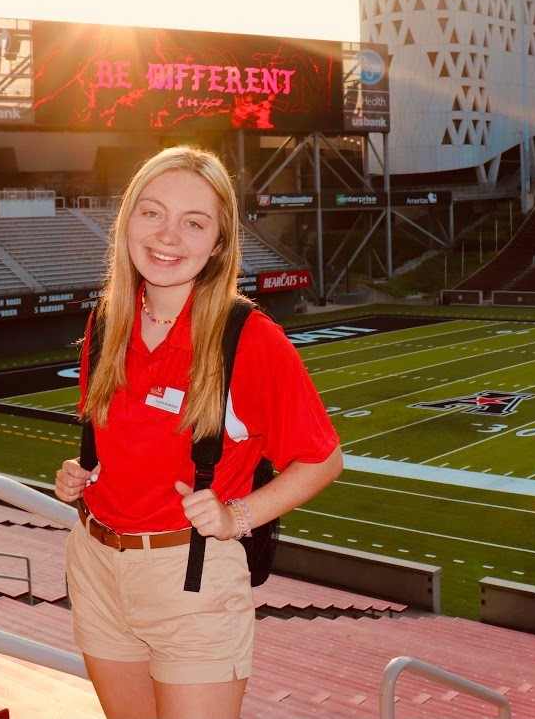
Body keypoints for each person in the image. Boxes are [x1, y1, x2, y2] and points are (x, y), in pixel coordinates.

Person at [55, 145, 342, 719]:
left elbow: (323, 460)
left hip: (191, 574)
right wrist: (81, 474)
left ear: (218, 243)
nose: (167, 236)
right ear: (128, 220)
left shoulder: (251, 339)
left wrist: (238, 516)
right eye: (152, 212)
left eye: (194, 223)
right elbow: (123, 437)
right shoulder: (108, 318)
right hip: (95, 561)